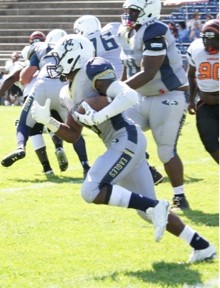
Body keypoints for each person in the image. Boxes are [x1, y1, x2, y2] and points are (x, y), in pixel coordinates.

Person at [31, 34, 216, 263]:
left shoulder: (93, 68)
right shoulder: (66, 91)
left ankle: (156, 206)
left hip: (125, 137)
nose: (56, 63)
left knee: (91, 190)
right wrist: (48, 121)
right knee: (146, 211)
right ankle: (202, 246)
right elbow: (72, 134)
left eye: (60, 57)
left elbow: (128, 95)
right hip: (120, 143)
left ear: (74, 54)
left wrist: (100, 114)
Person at [73, 14, 164, 185]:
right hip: (124, 79)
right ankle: (147, 169)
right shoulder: (114, 28)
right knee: (124, 128)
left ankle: (143, 169)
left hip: (106, 84)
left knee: (115, 131)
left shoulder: (86, 42)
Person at [116, 0, 190, 209]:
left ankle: (179, 196)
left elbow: (149, 72)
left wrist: (118, 91)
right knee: (120, 132)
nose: (128, 14)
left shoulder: (156, 30)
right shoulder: (126, 32)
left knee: (166, 150)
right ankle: (149, 170)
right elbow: (128, 66)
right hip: (141, 97)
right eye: (127, 10)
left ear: (147, 11)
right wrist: (119, 88)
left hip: (168, 95)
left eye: (133, 10)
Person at [1, 29, 91, 178]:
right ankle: (85, 164)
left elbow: (24, 77)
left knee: (24, 124)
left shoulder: (36, 48)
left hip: (42, 87)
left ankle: (21, 147)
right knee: (74, 130)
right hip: (64, 88)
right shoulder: (72, 46)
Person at [187, 19, 219, 163]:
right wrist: (191, 100)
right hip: (205, 103)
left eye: (214, 40)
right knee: (209, 141)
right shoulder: (196, 48)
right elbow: (191, 74)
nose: (209, 44)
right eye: (206, 40)